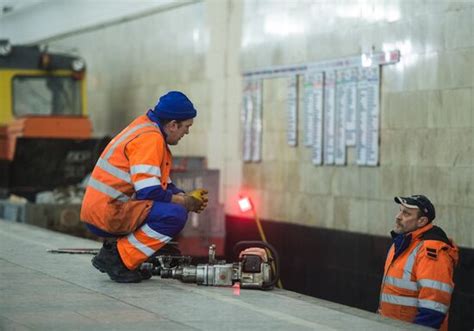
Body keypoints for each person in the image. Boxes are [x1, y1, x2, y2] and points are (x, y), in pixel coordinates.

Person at [80, 91, 208, 283]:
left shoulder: (145, 127)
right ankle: (118, 259)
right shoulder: (151, 139)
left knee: (173, 209)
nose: (187, 132)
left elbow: (161, 184)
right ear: (173, 125)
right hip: (107, 214)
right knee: (175, 215)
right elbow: (149, 191)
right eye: (186, 127)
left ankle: (120, 252)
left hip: (102, 209)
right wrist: (184, 202)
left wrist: (183, 196)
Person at [378, 195, 458, 330]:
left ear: (422, 221)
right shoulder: (401, 243)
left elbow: (434, 307)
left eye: (406, 213)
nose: (398, 216)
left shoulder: (431, 250)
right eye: (400, 210)